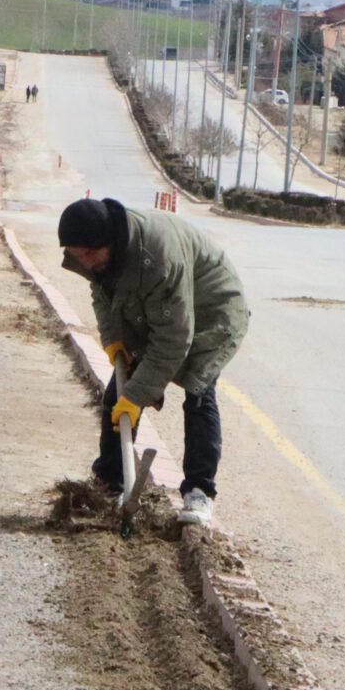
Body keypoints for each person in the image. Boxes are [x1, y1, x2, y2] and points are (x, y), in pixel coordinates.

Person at [56, 196, 248, 526]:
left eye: (89, 254)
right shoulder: (98, 257)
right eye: (78, 257)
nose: (85, 262)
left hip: (210, 312)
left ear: (110, 242)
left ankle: (199, 491)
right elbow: (102, 295)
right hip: (155, 309)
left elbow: (173, 341)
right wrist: (113, 338)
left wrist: (136, 396)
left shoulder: (156, 259)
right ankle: (110, 483)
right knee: (118, 392)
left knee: (199, 392)